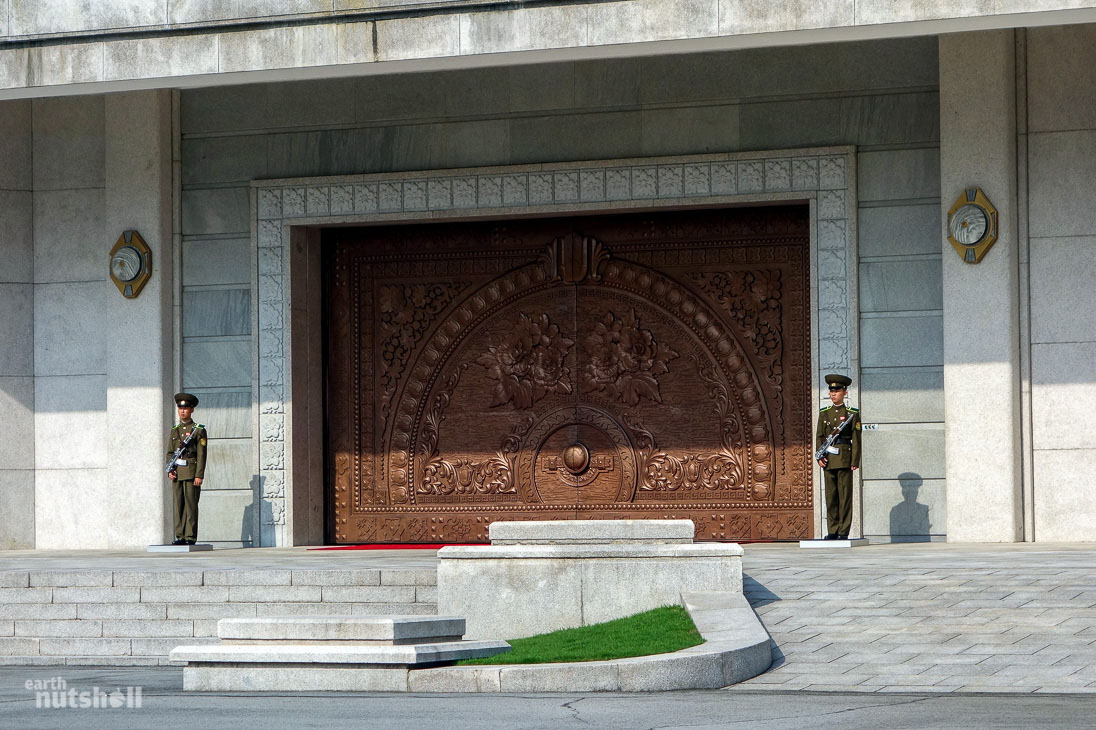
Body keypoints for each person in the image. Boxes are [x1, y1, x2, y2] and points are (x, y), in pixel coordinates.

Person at [815, 374, 861, 539]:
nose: (833, 394)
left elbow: (856, 439)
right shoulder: (824, 413)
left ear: (845, 392)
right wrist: (819, 456)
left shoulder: (851, 414)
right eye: (831, 391)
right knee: (831, 496)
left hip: (844, 459)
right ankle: (832, 530)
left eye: (837, 391)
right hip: (828, 459)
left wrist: (855, 460)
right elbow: (820, 436)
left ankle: (843, 531)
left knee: (845, 496)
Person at [166, 393, 207, 545]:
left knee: (190, 505)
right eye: (180, 408)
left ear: (192, 410)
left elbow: (202, 455)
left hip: (190, 472)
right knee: (178, 505)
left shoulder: (198, 430)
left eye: (186, 408)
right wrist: (170, 469)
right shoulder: (175, 430)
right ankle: (180, 536)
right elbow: (170, 452)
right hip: (177, 472)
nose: (182, 411)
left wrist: (199, 475)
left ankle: (190, 536)